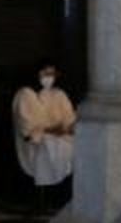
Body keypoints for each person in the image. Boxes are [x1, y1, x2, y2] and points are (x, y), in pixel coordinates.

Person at [12, 59, 76, 191]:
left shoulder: (59, 94)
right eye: (45, 74)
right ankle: (50, 190)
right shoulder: (25, 94)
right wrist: (52, 130)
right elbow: (28, 129)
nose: (49, 78)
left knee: (78, 145)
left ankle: (66, 191)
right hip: (37, 141)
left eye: (51, 74)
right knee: (52, 146)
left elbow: (70, 119)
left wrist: (67, 128)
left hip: (62, 135)